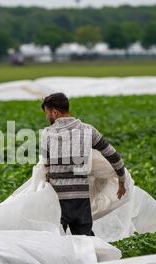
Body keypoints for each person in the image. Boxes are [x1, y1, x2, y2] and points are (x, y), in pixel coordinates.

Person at [40, 92, 127, 236]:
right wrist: (121, 180)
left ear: (54, 112)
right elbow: (113, 156)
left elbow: (45, 168)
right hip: (81, 199)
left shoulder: (47, 134)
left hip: (57, 199)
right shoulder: (88, 130)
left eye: (47, 113)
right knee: (86, 240)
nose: (46, 117)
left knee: (54, 240)